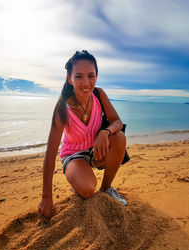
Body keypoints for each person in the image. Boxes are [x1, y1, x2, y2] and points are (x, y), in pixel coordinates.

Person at [38, 50, 127, 219]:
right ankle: (78, 179)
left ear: (96, 77)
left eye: (91, 76)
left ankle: (107, 188)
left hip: (97, 150)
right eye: (79, 76)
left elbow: (117, 122)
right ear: (69, 78)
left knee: (119, 137)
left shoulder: (99, 94)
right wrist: (46, 198)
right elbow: (50, 154)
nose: (86, 82)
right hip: (74, 155)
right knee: (87, 189)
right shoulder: (62, 109)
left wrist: (104, 132)